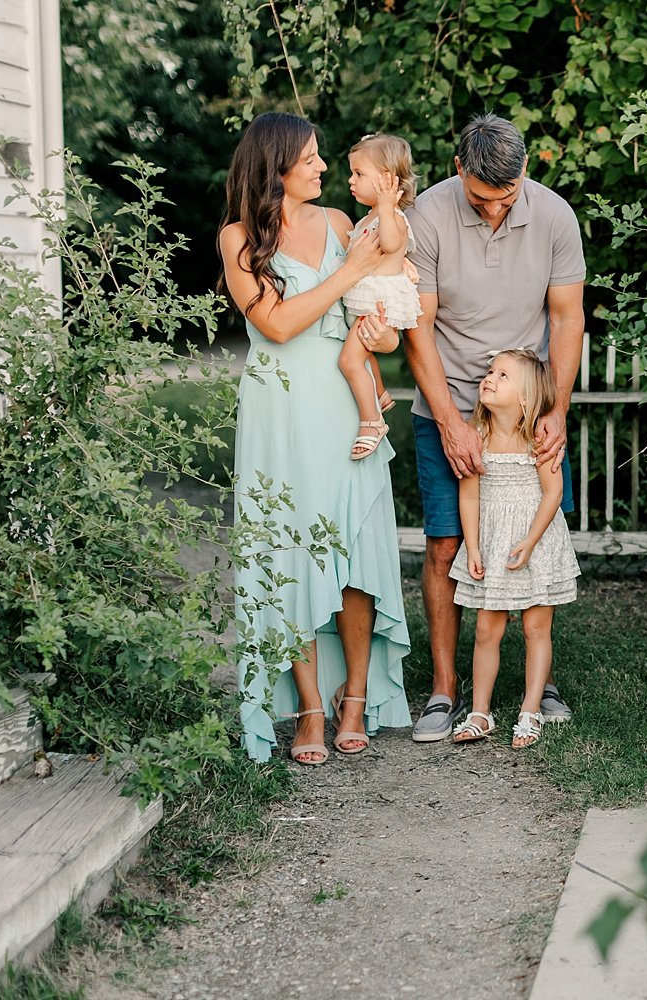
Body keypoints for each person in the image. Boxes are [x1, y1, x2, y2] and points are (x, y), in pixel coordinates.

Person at [219, 112, 413, 765]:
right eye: (309, 158)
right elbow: (276, 325)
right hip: (281, 408)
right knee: (292, 554)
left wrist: (379, 330)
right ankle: (306, 705)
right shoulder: (239, 239)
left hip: (344, 398)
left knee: (356, 550)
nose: (323, 168)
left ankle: (353, 697)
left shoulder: (338, 225)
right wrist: (350, 272)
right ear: (275, 166)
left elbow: (378, 329)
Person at [404, 113, 585, 742]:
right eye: (482, 199)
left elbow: (566, 320)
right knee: (448, 546)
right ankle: (445, 690)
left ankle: (541, 684)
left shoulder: (556, 218)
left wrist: (556, 409)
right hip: (448, 403)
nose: (494, 209)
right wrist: (453, 424)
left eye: (506, 198)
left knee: (533, 540)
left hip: (527, 409)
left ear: (524, 173)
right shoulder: (424, 218)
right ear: (460, 171)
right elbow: (416, 328)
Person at [447, 350, 580, 748]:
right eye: (489, 371)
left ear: (525, 398)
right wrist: (472, 547)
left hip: (535, 540)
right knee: (488, 628)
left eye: (502, 375)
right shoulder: (477, 437)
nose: (489, 378)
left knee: (535, 627)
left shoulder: (539, 439)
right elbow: (468, 497)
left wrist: (531, 540)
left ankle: (530, 710)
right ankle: (479, 712)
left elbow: (553, 492)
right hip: (493, 543)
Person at [339, 132, 421, 460]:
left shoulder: (392, 217)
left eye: (359, 174)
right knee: (365, 357)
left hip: (377, 306)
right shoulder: (371, 216)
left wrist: (387, 206)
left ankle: (372, 421)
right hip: (367, 302)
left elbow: (388, 243)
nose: (351, 180)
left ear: (386, 180)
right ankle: (381, 394)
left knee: (349, 360)